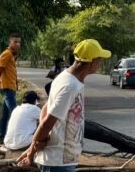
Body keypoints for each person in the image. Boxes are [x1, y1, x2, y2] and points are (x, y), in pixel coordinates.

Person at [17, 39, 111, 171]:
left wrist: (30, 148)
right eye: (99, 59)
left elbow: (46, 108)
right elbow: (47, 122)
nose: (100, 63)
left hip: (63, 159)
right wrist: (31, 152)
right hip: (57, 161)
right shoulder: (69, 86)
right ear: (92, 61)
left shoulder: (68, 78)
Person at [0, 33, 21, 147]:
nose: (18, 44)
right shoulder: (6, 54)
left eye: (19, 42)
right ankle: (15, 139)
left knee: (5, 116)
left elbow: (11, 73)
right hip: (7, 89)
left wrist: (16, 84)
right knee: (16, 113)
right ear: (10, 42)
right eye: (15, 42)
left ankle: (1, 138)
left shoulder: (12, 55)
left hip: (10, 88)